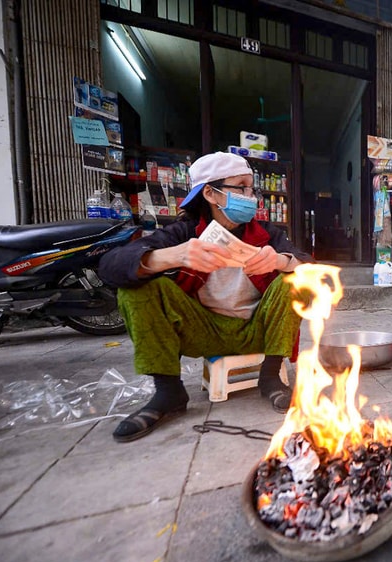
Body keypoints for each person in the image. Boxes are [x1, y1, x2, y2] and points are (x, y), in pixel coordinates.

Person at [99, 151, 312, 443]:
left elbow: (310, 266)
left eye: (252, 187)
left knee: (297, 280)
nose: (251, 196)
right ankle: (168, 391)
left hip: (257, 330)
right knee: (141, 286)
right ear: (211, 193)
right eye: (241, 187)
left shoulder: (266, 233)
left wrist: (282, 261)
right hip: (204, 331)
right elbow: (111, 267)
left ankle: (271, 375)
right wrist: (170, 256)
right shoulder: (184, 232)